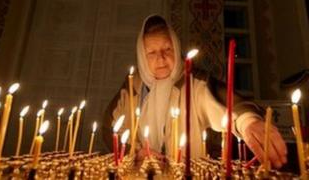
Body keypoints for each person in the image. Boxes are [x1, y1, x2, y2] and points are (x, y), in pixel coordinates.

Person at [102, 14, 287, 168]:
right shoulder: (132, 87)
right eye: (151, 52)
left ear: (176, 48)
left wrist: (248, 122)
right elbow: (110, 127)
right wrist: (134, 153)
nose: (161, 58)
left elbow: (227, 102)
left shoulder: (194, 81)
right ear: (142, 56)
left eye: (167, 48)